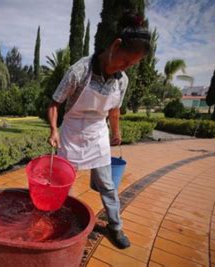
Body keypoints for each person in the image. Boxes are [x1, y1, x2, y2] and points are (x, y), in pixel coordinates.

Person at [47, 11, 151, 249]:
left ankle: (115, 227)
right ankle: (58, 226)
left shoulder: (121, 80)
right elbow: (55, 103)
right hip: (71, 134)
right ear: (115, 46)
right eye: (125, 61)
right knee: (65, 184)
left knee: (107, 184)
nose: (125, 68)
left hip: (97, 134)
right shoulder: (80, 71)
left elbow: (114, 110)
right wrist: (54, 130)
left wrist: (116, 132)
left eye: (132, 65)